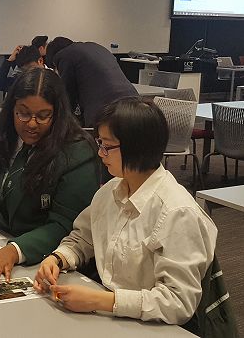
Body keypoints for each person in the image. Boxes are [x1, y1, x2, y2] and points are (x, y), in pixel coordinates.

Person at [34, 97, 217, 325]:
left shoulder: (177, 212)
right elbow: (83, 238)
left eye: (107, 146)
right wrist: (58, 259)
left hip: (154, 325)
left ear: (137, 148)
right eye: (100, 143)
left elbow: (178, 301)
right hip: (114, 318)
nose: (100, 153)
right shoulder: (111, 191)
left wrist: (101, 301)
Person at [0, 68, 100, 283]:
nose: (32, 123)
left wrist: (14, 251)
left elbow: (65, 225)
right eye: (23, 113)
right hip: (0, 241)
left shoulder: (76, 152)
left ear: (57, 114)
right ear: (12, 108)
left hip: (47, 261)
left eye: (43, 116)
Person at [45, 37, 137, 128]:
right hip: (134, 104)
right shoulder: (95, 47)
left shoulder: (64, 55)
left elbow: (67, 96)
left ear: (54, 60)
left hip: (107, 111)